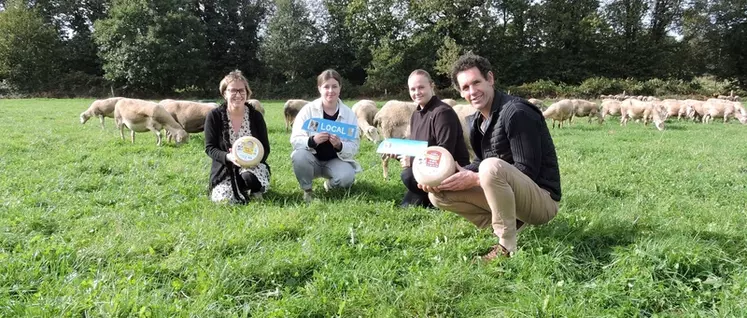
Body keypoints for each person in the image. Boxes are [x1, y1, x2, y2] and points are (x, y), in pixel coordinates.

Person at [420, 53, 561, 260]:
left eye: (476, 82)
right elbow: (478, 162)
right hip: (512, 194)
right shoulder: (476, 121)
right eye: (465, 87)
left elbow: (528, 170)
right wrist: (447, 177)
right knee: (438, 194)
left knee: (490, 167)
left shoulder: (517, 112)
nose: (472, 91)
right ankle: (513, 222)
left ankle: (506, 247)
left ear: (490, 79)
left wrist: (476, 178)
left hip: (542, 200)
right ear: (460, 92)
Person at [391, 69, 470, 208]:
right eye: (413, 89)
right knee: (409, 179)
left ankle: (441, 197)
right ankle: (427, 195)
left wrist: (412, 159)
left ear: (431, 86)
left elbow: (445, 152)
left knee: (408, 176)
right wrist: (398, 153)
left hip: (450, 171)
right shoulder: (416, 114)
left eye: (421, 87)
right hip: (428, 168)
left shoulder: (442, 112)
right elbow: (417, 146)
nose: (417, 92)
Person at [290, 69, 361, 203]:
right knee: (298, 156)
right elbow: (295, 139)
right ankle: (307, 190)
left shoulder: (349, 114)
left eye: (334, 86)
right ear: (319, 89)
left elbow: (354, 145)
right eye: (326, 87)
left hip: (335, 160)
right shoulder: (308, 110)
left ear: (340, 88)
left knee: (347, 177)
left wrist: (340, 145)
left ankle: (330, 185)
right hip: (311, 159)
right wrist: (312, 141)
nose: (330, 91)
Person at [204, 70, 271, 204]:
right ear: (224, 93)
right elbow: (210, 148)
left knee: (249, 177)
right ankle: (239, 187)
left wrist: (252, 160)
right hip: (225, 168)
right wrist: (228, 157)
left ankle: (254, 187)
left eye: (242, 90)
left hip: (253, 166)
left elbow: (265, 147)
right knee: (223, 200)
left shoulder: (256, 116)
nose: (238, 95)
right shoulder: (214, 116)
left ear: (247, 93)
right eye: (233, 91)